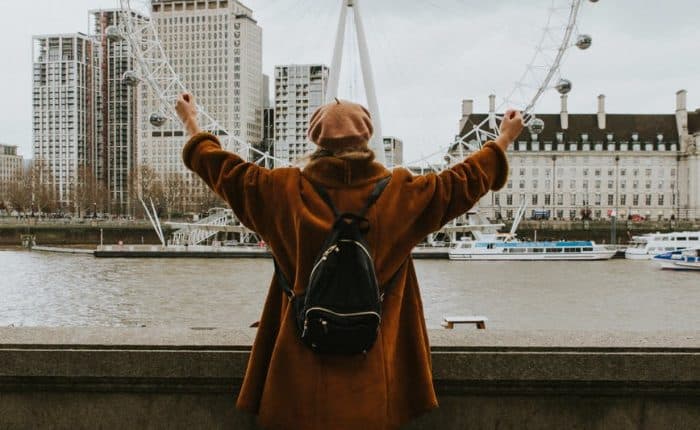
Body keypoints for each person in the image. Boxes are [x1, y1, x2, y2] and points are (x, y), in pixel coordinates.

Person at [176, 93, 523, 430]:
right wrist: (503, 140)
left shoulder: (279, 190)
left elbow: (221, 169)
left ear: (316, 141)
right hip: (375, 375)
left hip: (297, 378)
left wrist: (191, 122)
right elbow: (461, 182)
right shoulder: (402, 193)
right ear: (367, 138)